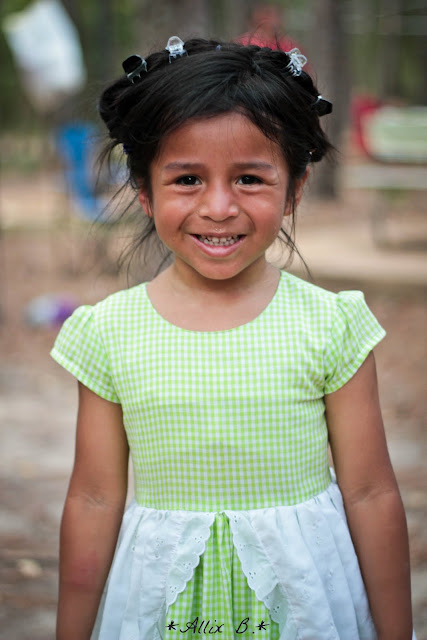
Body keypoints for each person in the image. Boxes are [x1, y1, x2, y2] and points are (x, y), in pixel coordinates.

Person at [51, 36, 415, 640]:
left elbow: (371, 493)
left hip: (302, 607)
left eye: (248, 178)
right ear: (144, 190)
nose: (218, 207)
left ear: (294, 189)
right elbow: (92, 499)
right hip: (163, 607)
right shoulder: (110, 332)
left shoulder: (331, 325)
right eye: (187, 179)